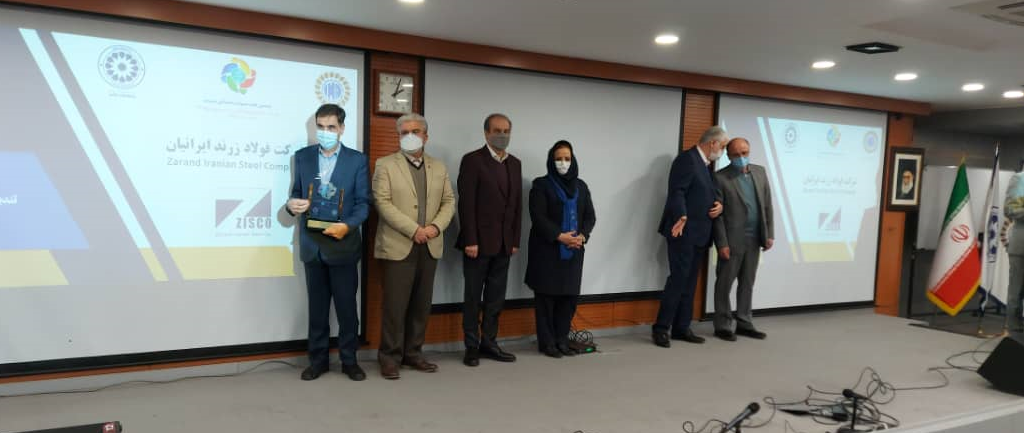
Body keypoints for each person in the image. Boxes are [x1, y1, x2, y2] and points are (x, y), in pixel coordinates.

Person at [286, 103, 369, 381]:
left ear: (342, 128)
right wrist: (291, 205)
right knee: (317, 311)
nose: (325, 132)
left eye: (331, 127)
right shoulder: (303, 157)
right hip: (313, 247)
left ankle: (349, 361)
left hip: (343, 245)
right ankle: (318, 361)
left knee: (347, 310)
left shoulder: (357, 160)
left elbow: (363, 204)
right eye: (320, 127)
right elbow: (296, 193)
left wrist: (348, 226)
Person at [371, 113, 455, 379]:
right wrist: (414, 230)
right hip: (399, 244)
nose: (410, 136)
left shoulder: (438, 167)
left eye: (415, 131)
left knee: (421, 304)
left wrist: (435, 228)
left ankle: (413, 353)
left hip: (430, 244)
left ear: (426, 136)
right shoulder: (385, 165)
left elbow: (449, 202)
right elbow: (382, 202)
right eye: (404, 132)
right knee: (395, 306)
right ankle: (389, 357)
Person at [456, 113, 522, 366]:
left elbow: (516, 205)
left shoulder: (514, 164)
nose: (502, 135)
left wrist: (514, 240)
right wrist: (470, 240)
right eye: (497, 130)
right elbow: (466, 204)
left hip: (504, 244)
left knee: (495, 298)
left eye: (506, 131)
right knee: (473, 297)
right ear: (486, 133)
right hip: (478, 244)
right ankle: (471, 346)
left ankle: (490, 343)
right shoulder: (473, 160)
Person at [652, 126, 727, 348]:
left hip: (700, 233)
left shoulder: (705, 165)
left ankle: (681, 327)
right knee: (678, 279)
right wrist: (682, 215)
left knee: (690, 282)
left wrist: (719, 206)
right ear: (712, 143)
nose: (722, 151)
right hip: (682, 230)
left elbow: (705, 194)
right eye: (722, 146)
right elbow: (677, 191)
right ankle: (661, 328)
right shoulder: (687, 160)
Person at [525, 140, 596, 358]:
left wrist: (582, 236)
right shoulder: (541, 185)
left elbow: (590, 216)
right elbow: (538, 217)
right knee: (546, 299)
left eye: (567, 158)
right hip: (547, 251)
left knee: (568, 299)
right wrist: (560, 236)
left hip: (574, 251)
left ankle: (562, 339)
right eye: (558, 159)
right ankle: (547, 343)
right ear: (551, 160)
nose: (563, 163)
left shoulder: (581, 186)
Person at [711, 138, 773, 342]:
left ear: (749, 151)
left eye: (744, 153)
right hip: (732, 241)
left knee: (747, 283)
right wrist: (722, 243)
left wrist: (769, 233)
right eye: (736, 155)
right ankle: (722, 325)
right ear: (729, 156)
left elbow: (767, 205)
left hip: (755, 239)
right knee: (724, 283)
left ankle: (745, 322)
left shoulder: (760, 172)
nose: (741, 157)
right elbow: (717, 215)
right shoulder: (720, 178)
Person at [1004, 170, 1024, 331]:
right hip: (1021, 246)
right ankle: (1014, 330)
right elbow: (1010, 209)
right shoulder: (1020, 179)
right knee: (1016, 291)